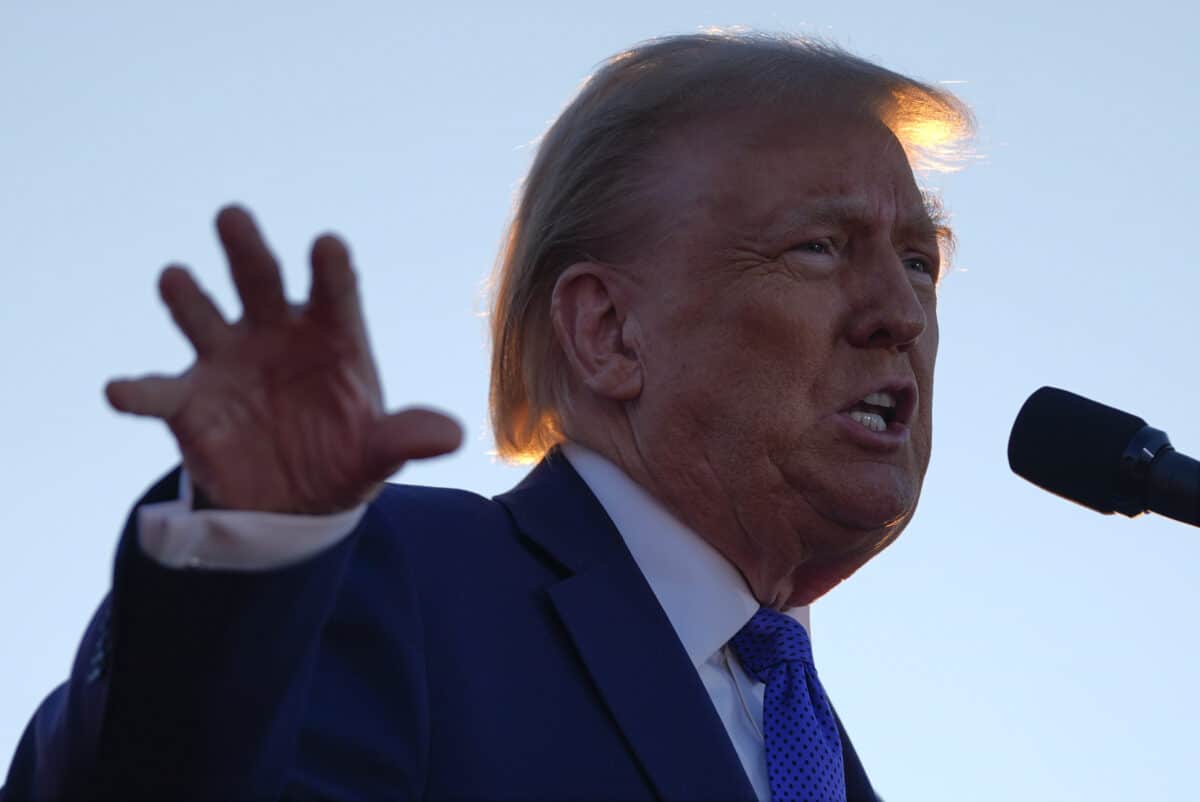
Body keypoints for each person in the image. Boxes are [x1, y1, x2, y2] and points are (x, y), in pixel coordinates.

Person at [2, 31, 972, 801]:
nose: (900, 312)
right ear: (608, 331)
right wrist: (248, 548)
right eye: (818, 247)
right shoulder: (398, 581)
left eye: (919, 260)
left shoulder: (820, 755)